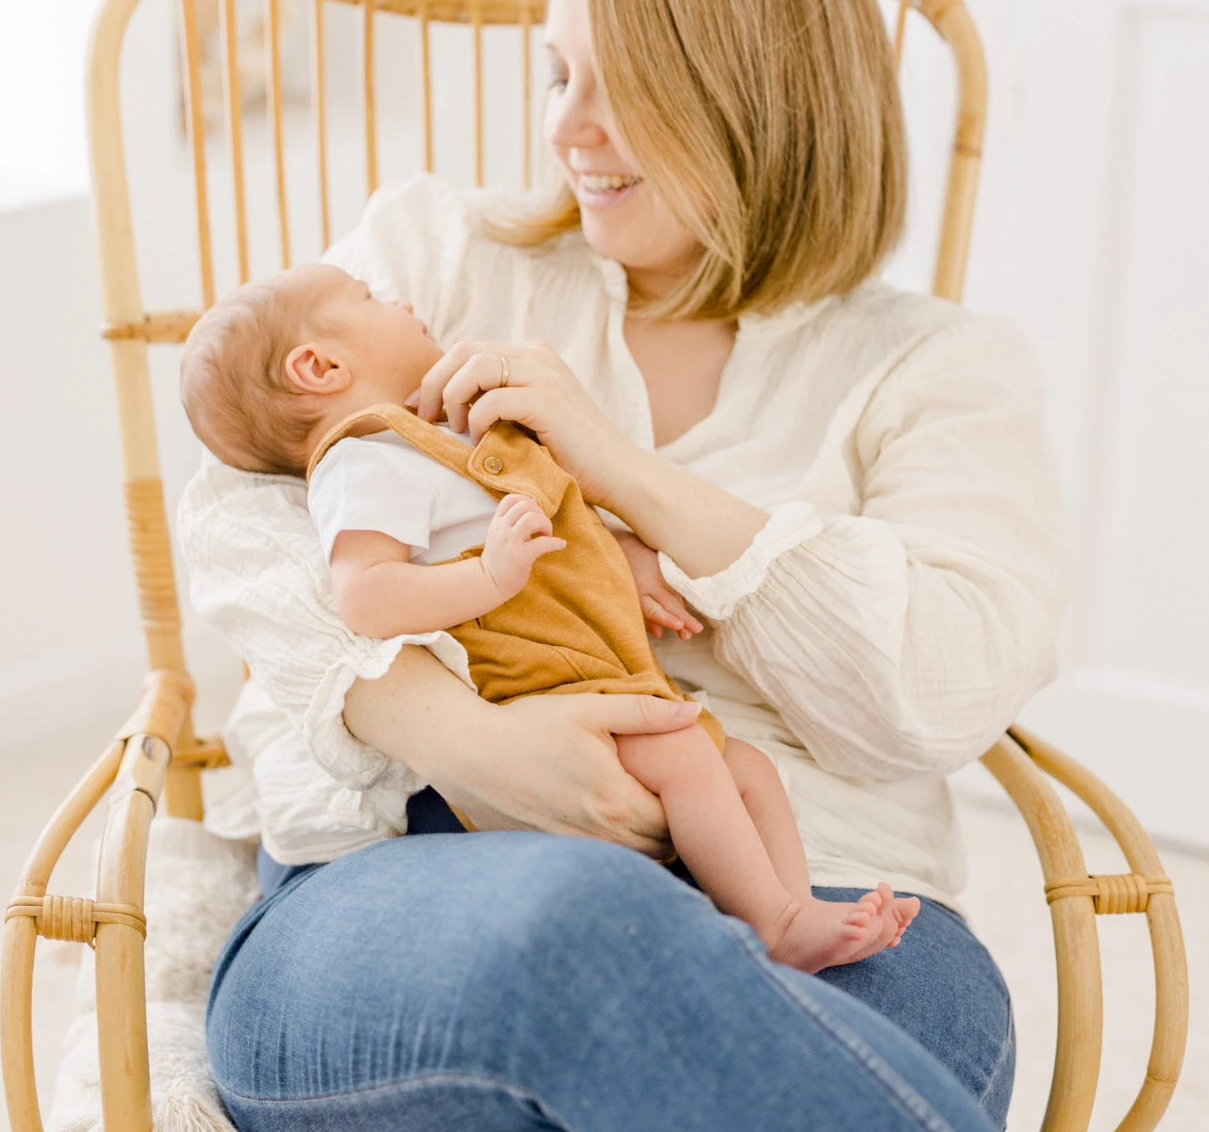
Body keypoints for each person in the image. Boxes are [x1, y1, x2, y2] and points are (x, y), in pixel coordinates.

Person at [181, 0, 1093, 1132]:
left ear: (759, 98)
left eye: (625, 89)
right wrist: (465, 739)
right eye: (556, 76)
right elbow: (232, 521)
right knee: (597, 926)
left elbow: (943, 683)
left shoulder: (939, 371)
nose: (568, 134)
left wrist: (631, 474)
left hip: (841, 917)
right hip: (416, 932)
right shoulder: (432, 260)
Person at [179, 260, 918, 970]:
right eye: (372, 298)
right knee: (689, 758)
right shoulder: (362, 463)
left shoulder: (443, 438)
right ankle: (773, 922)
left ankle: (796, 905)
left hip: (593, 665)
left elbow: (540, 515)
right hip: (533, 685)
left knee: (746, 767)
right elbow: (367, 597)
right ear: (318, 368)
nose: (400, 303)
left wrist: (613, 548)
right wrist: (489, 575)